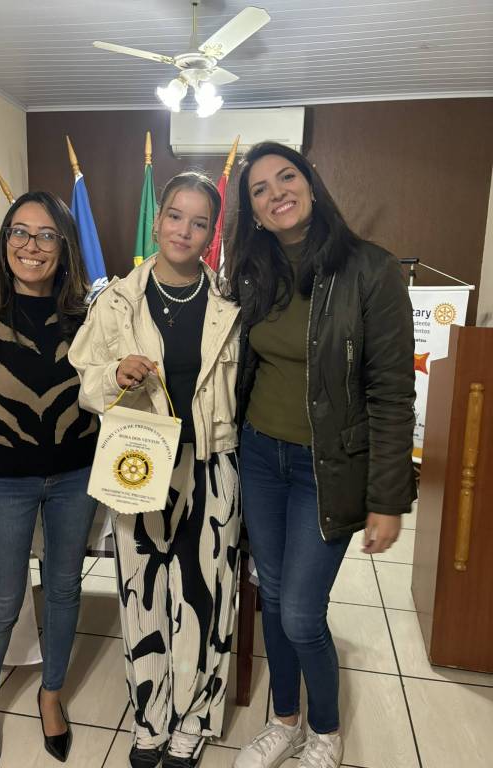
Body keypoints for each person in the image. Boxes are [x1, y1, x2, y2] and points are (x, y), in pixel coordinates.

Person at [225, 142, 416, 768]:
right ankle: (284, 720)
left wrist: (387, 498)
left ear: (310, 183)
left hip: (324, 468)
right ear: (253, 210)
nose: (276, 192)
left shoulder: (371, 269)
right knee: (275, 600)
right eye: (259, 189)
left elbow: (392, 392)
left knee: (302, 613)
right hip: (260, 457)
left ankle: (325, 731)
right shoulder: (252, 271)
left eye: (287, 177)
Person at [69, 171, 241, 768]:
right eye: (174, 215)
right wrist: (113, 375)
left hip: (212, 464)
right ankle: (149, 717)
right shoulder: (116, 300)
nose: (184, 230)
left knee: (203, 594)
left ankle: (191, 719)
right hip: (140, 462)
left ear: (211, 233)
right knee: (142, 592)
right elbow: (85, 376)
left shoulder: (231, 305)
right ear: (157, 220)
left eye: (199, 222)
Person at [0, 191, 100, 767]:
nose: (32, 246)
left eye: (46, 235)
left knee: (64, 591)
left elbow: (106, 389)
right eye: (20, 232)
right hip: (3, 485)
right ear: (4, 240)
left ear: (65, 247)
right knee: (3, 601)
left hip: (75, 479)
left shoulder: (87, 319)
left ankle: (51, 694)